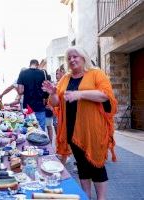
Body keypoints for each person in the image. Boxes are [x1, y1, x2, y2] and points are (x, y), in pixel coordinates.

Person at [42, 46, 117, 200]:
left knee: (96, 165)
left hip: (93, 129)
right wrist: (53, 93)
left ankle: (101, 198)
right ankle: (86, 196)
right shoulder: (65, 78)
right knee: (82, 166)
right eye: (69, 58)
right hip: (71, 129)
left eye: (75, 56)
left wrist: (80, 94)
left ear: (83, 58)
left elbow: (105, 95)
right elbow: (56, 103)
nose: (72, 60)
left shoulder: (96, 74)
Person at [17, 59, 49, 130]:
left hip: (28, 107)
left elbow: (20, 91)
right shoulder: (43, 73)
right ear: (37, 65)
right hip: (40, 106)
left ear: (30, 64)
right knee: (41, 130)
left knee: (29, 130)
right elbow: (47, 90)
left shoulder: (23, 73)